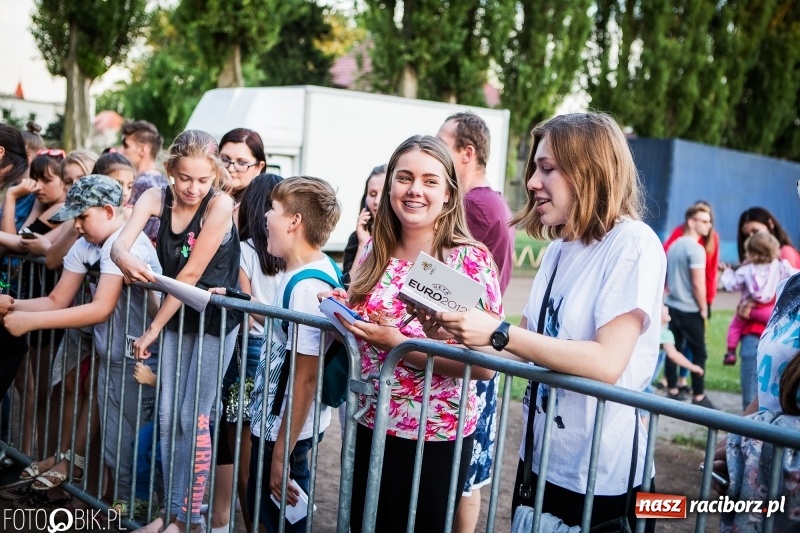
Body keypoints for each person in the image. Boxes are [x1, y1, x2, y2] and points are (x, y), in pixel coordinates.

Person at [430, 113, 664, 531]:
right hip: (541, 458)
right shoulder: (559, 249)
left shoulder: (634, 243)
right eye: (535, 168)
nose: (533, 181)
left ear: (590, 170)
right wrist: (453, 328)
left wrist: (499, 331)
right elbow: (520, 346)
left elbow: (607, 362)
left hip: (599, 476)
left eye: (548, 168)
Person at [337, 135, 502, 533]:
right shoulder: (373, 250)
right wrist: (340, 303)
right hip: (368, 423)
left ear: (448, 194)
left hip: (435, 437)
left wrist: (403, 349)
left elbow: (485, 367)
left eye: (430, 181)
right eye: (405, 177)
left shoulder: (468, 261)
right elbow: (365, 315)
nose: (415, 190)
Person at [1, 176, 160, 506]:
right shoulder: (86, 243)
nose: (76, 225)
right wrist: (14, 305)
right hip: (111, 356)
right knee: (115, 447)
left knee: (132, 449)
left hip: (141, 361)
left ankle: (129, 515)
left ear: (106, 211)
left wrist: (28, 321)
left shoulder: (125, 243)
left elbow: (100, 309)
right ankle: (114, 509)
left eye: (82, 217)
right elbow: (58, 299)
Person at [112, 129, 241, 533]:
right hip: (177, 314)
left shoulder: (220, 205)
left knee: (193, 417)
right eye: (185, 178)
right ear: (170, 170)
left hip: (212, 322)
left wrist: (151, 329)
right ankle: (169, 512)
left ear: (215, 175)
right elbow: (121, 244)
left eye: (203, 180)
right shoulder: (154, 198)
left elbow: (189, 274)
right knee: (168, 417)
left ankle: (189, 517)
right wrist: (121, 257)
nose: (193, 188)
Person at [246, 176, 340, 533]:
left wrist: (281, 455)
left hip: (283, 432)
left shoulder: (307, 287)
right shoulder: (305, 273)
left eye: (273, 209)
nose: (266, 217)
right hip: (283, 425)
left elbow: (305, 377)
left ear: (294, 221)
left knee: (281, 520)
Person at [436, 111, 514, 533]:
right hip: (470, 345)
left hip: (470, 349)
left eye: (440, 144)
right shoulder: (487, 203)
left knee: (462, 481)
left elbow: (459, 285)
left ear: (466, 153)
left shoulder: (475, 207)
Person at [210, 173, 285, 533]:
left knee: (241, 447)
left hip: (250, 349)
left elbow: (244, 302)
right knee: (262, 446)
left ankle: (249, 522)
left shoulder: (246, 250)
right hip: (280, 349)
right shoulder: (287, 253)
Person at [720, 231, 797, 409]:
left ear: (752, 253)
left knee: (737, 326)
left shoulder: (747, 270)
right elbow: (795, 276)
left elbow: (730, 285)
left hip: (751, 322)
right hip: (774, 323)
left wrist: (728, 272)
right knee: (774, 376)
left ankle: (730, 351)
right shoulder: (780, 266)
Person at [664, 204, 715, 408]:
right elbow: (697, 283)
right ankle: (699, 396)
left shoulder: (675, 244)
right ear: (691, 222)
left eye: (709, 221)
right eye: (704, 221)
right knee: (699, 351)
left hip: (672, 305)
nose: (708, 225)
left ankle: (673, 389)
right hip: (689, 309)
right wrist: (703, 308)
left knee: (674, 347)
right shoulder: (695, 248)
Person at [119, 120, 167, 244]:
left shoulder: (140, 184)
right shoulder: (165, 181)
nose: (120, 150)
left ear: (142, 149)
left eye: (126, 145)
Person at [342, 164, 387, 288]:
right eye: (372, 194)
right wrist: (364, 245)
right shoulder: (357, 238)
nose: (377, 201)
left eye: (383, 194)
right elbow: (348, 289)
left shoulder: (408, 238)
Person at [647, 306, 704, 395]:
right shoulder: (665, 334)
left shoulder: (649, 329)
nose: (666, 307)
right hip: (646, 377)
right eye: (662, 306)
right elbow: (673, 355)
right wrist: (693, 367)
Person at [218, 128, 267, 226]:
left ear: (258, 167)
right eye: (225, 159)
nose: (231, 168)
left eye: (242, 163)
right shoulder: (200, 195)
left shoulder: (264, 209)